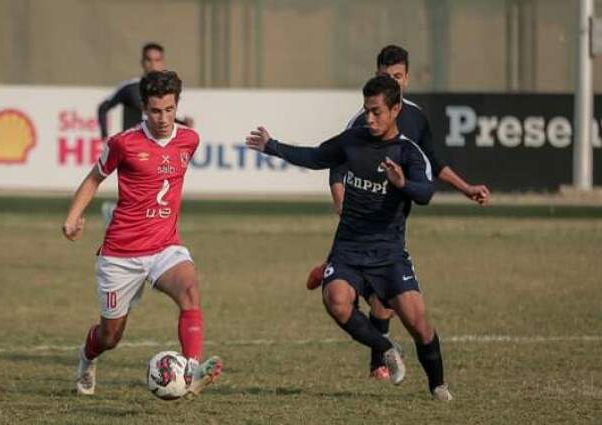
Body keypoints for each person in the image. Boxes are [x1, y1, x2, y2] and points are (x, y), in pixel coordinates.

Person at [246, 74, 453, 401]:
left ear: (395, 110)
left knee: (418, 324)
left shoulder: (407, 153)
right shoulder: (353, 140)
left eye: (377, 112)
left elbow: (426, 193)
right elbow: (316, 157)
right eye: (366, 110)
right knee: (336, 301)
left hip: (389, 253)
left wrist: (403, 184)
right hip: (349, 249)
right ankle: (387, 348)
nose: (369, 118)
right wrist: (272, 146)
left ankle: (438, 386)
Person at [306, 45, 490, 381]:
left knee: (386, 300)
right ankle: (379, 361)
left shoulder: (416, 117)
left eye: (398, 76)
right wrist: (342, 202)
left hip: (392, 221)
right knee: (372, 294)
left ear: (407, 78)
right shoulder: (363, 121)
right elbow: (336, 166)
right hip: (361, 221)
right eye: (385, 76)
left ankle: (380, 353)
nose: (392, 81)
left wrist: (466, 188)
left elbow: (433, 162)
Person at [63, 70, 222, 397]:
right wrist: (72, 218)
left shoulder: (189, 139)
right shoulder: (123, 143)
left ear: (177, 106)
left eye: (169, 109)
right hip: (121, 254)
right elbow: (94, 178)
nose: (163, 118)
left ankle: (191, 371)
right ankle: (86, 358)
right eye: (155, 111)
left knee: (190, 290)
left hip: (165, 246)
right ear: (144, 108)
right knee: (110, 336)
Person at [97, 42, 193, 140]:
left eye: (157, 60)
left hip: (159, 144)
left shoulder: (169, 90)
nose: (153, 64)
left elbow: (165, 118)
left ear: (162, 62)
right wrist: (104, 136)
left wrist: (183, 123)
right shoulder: (130, 87)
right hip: (133, 144)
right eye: (149, 60)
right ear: (142, 62)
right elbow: (103, 108)